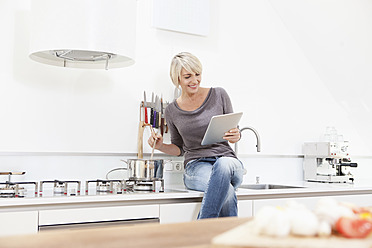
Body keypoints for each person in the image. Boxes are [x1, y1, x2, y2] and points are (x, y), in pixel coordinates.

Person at [148, 52, 245, 219]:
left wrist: (235, 135)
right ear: (177, 79)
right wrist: (160, 146)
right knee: (226, 189)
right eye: (187, 77)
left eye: (197, 75)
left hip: (228, 163)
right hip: (197, 167)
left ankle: (201, 228)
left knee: (223, 164)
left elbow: (233, 130)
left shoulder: (219, 95)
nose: (194, 81)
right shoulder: (172, 110)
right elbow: (179, 148)